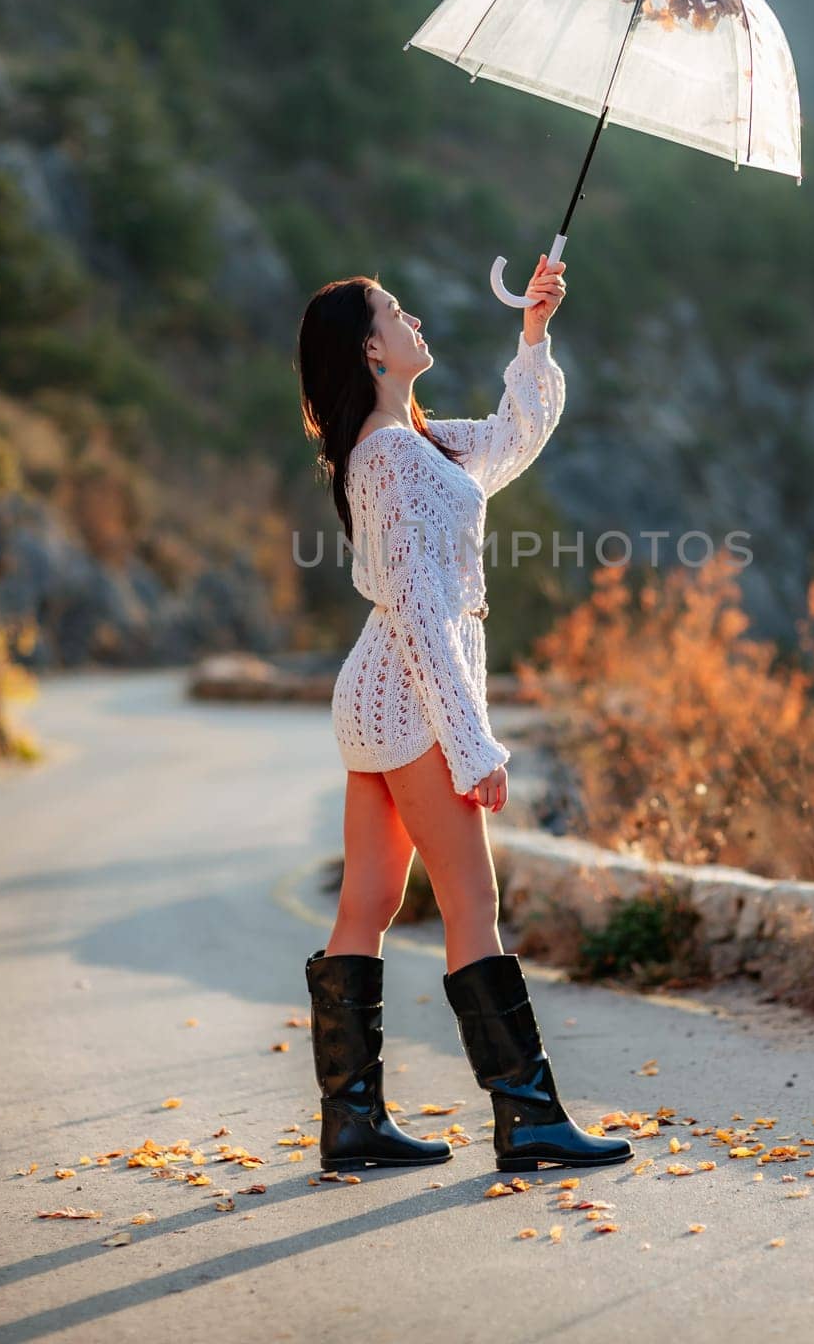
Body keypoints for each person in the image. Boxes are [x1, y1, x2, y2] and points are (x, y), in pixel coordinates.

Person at [296, 256, 634, 1175]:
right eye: (394, 312)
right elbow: (415, 611)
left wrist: (533, 332)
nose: (413, 319)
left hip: (381, 699)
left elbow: (515, 437)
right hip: (409, 702)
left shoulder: (416, 442)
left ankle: (352, 1124)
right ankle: (528, 1121)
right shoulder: (391, 457)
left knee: (367, 901)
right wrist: (471, 741)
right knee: (471, 904)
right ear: (371, 348)